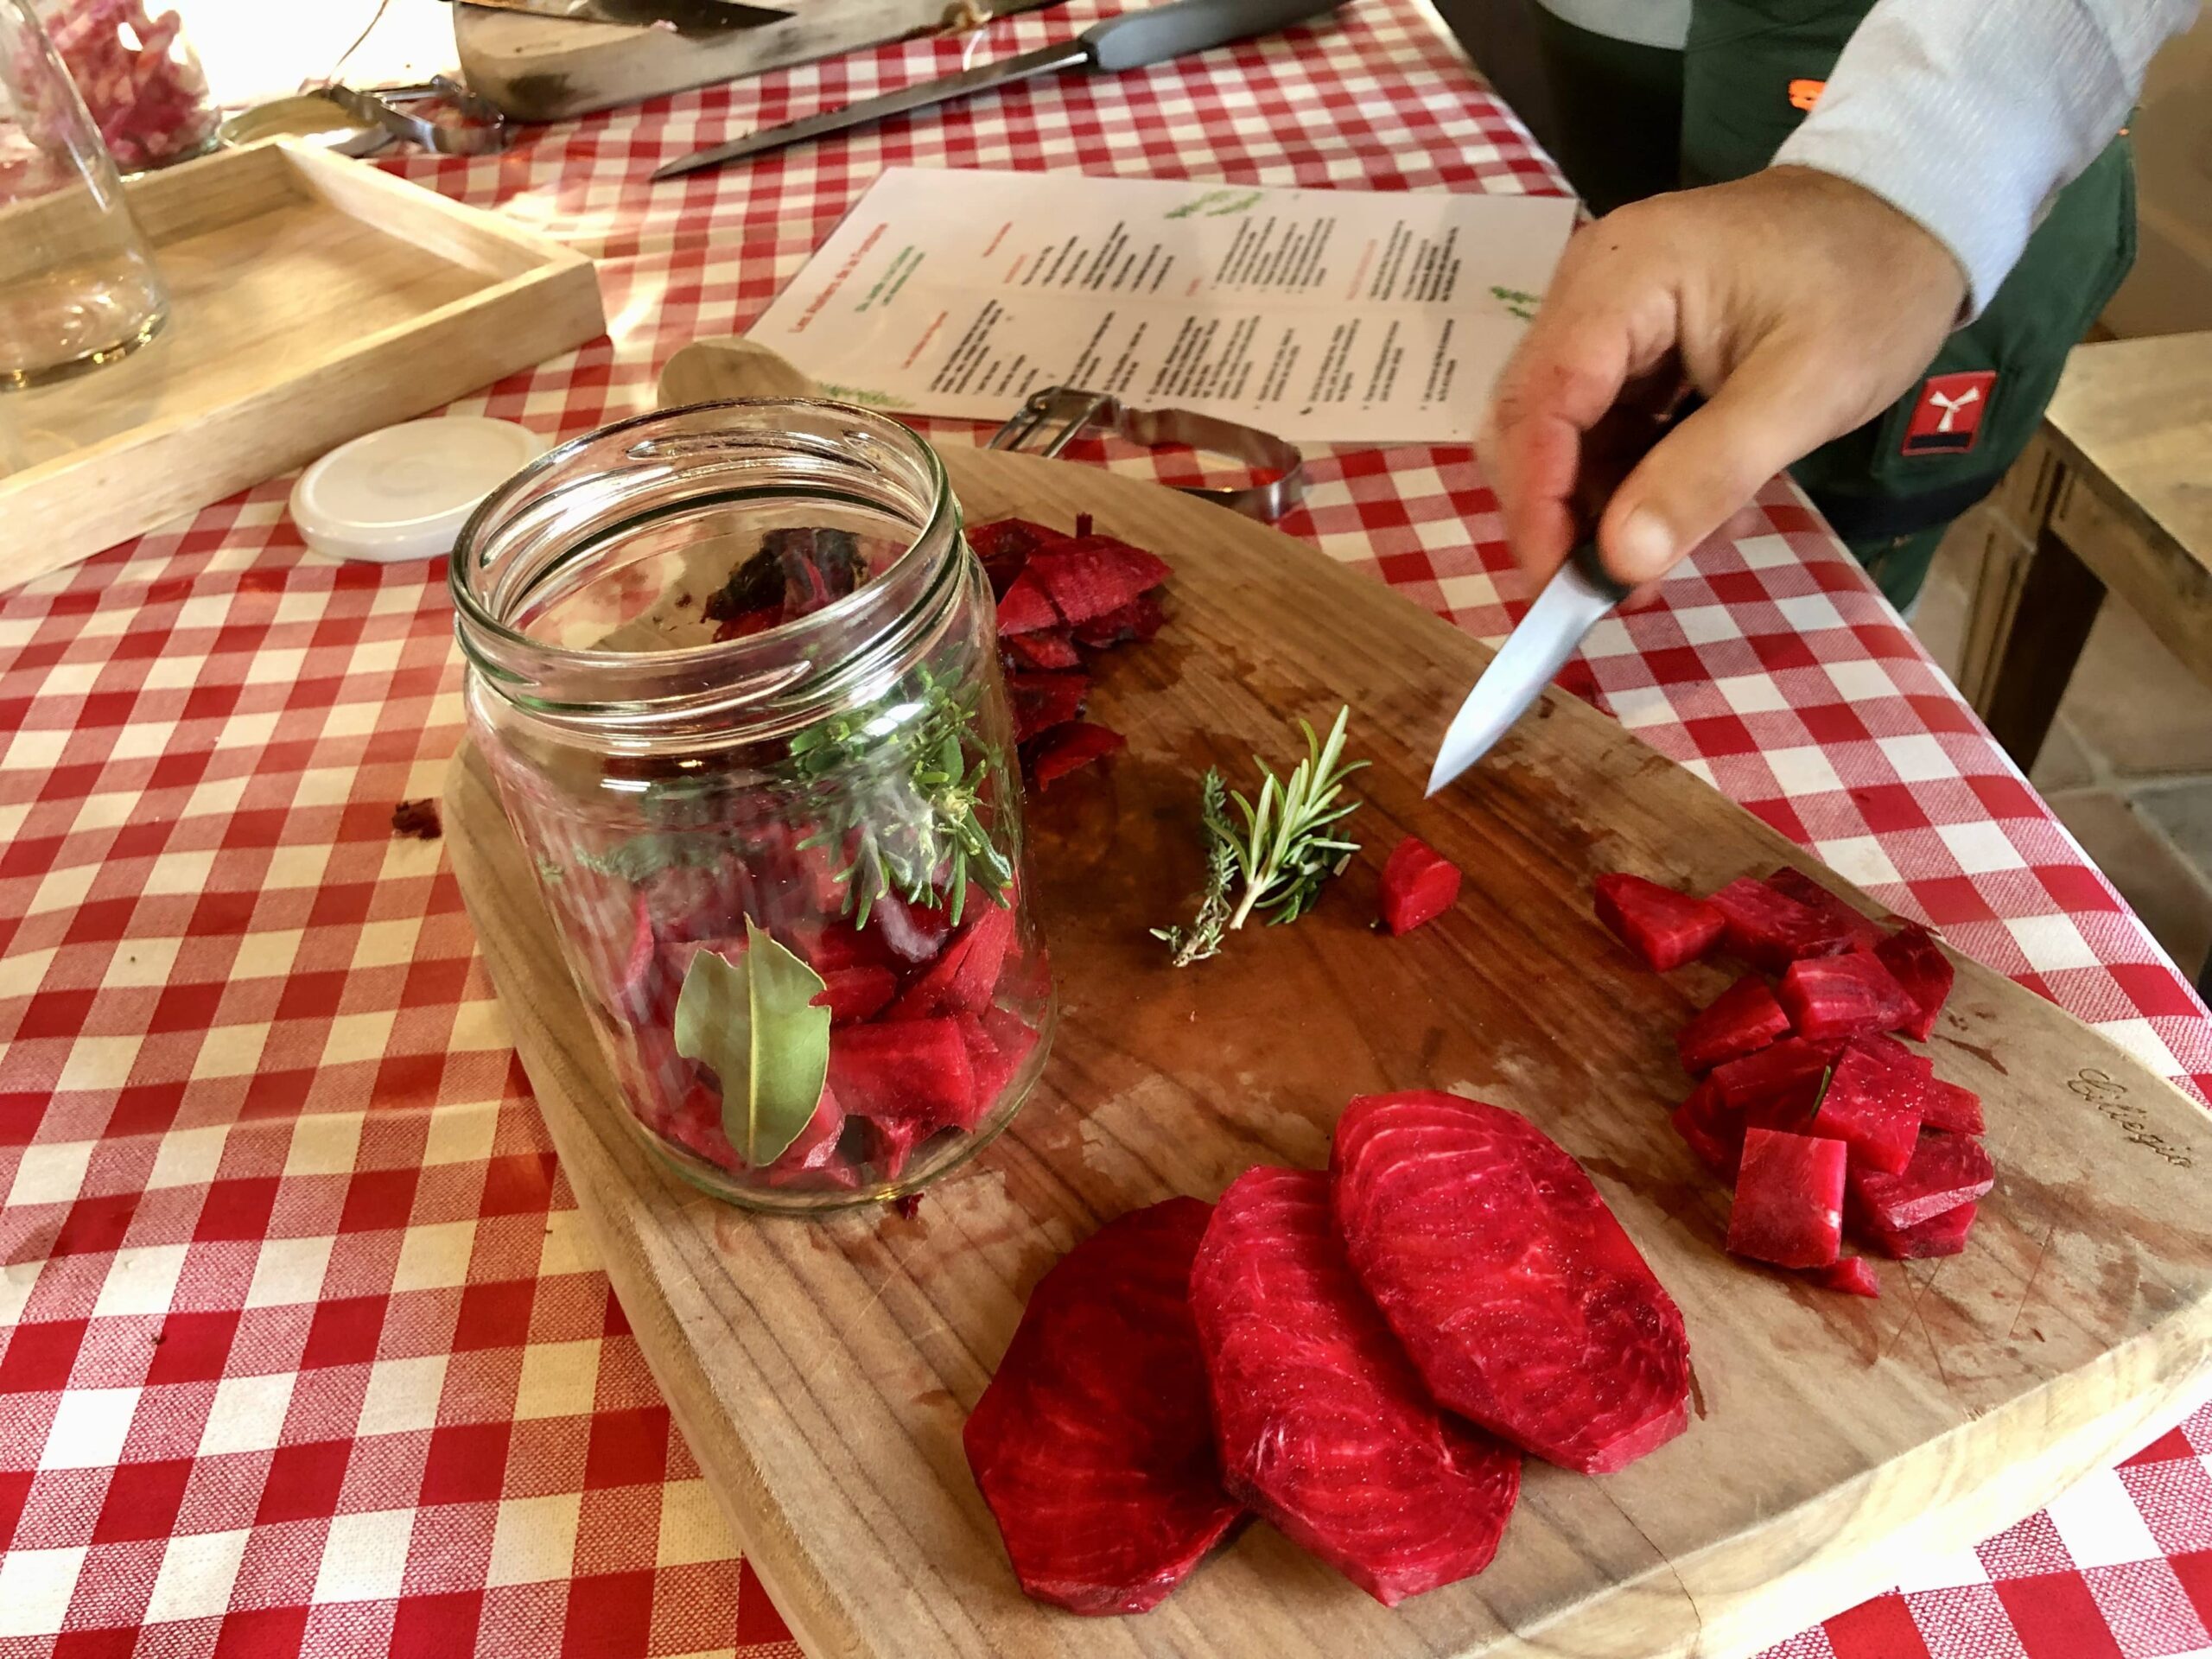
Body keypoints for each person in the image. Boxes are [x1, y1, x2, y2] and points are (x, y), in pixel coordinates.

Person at [1484, 0, 2200, 610]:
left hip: (1916, 70)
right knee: (1620, 408)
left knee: (1844, 544)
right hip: (1608, 43)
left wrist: (1920, 164)